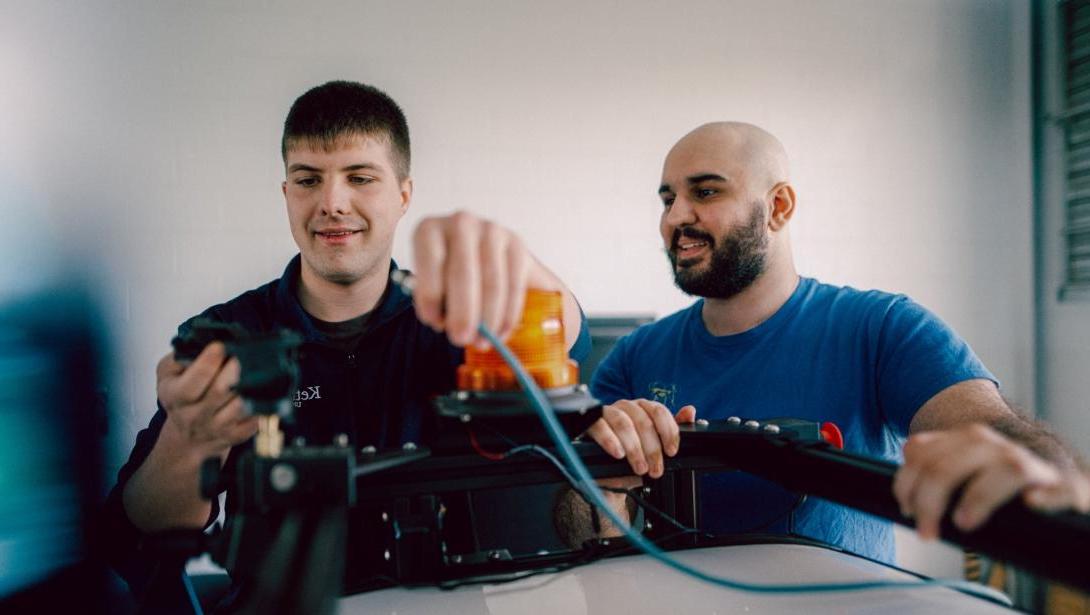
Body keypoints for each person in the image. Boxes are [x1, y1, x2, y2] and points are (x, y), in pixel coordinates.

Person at [100, 81, 590, 597]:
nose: (332, 202)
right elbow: (138, 535)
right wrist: (193, 436)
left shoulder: (456, 325)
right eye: (308, 180)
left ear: (403, 196)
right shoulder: (231, 335)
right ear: (287, 194)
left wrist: (509, 257)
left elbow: (567, 335)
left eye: (360, 177)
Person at [582, 121, 1090, 563]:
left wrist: (1039, 469)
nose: (675, 218)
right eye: (669, 199)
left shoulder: (883, 327)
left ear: (778, 206)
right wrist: (601, 487)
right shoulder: (634, 357)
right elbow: (574, 523)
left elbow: (991, 427)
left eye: (706, 192)